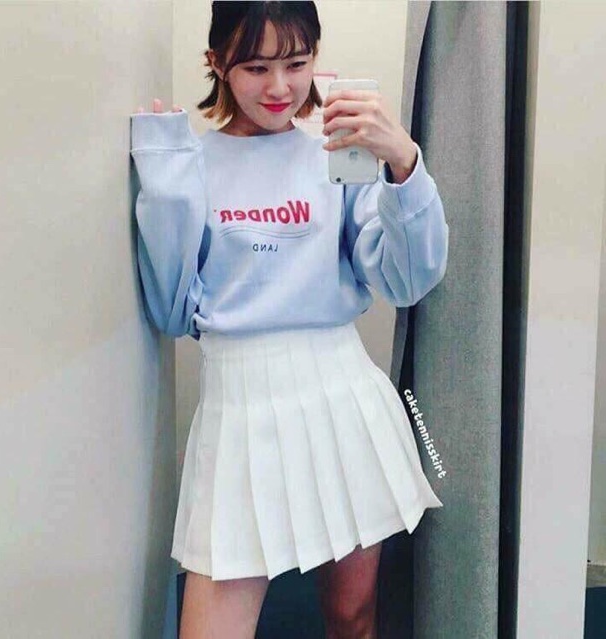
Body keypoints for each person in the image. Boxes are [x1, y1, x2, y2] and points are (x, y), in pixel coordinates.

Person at [130, 2, 449, 638]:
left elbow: (406, 281)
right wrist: (164, 185)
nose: (279, 87)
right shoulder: (193, 163)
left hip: (340, 395)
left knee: (352, 617)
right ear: (218, 62)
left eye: (296, 64)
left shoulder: (338, 155)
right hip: (240, 406)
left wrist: (403, 163)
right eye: (256, 67)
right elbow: (170, 309)